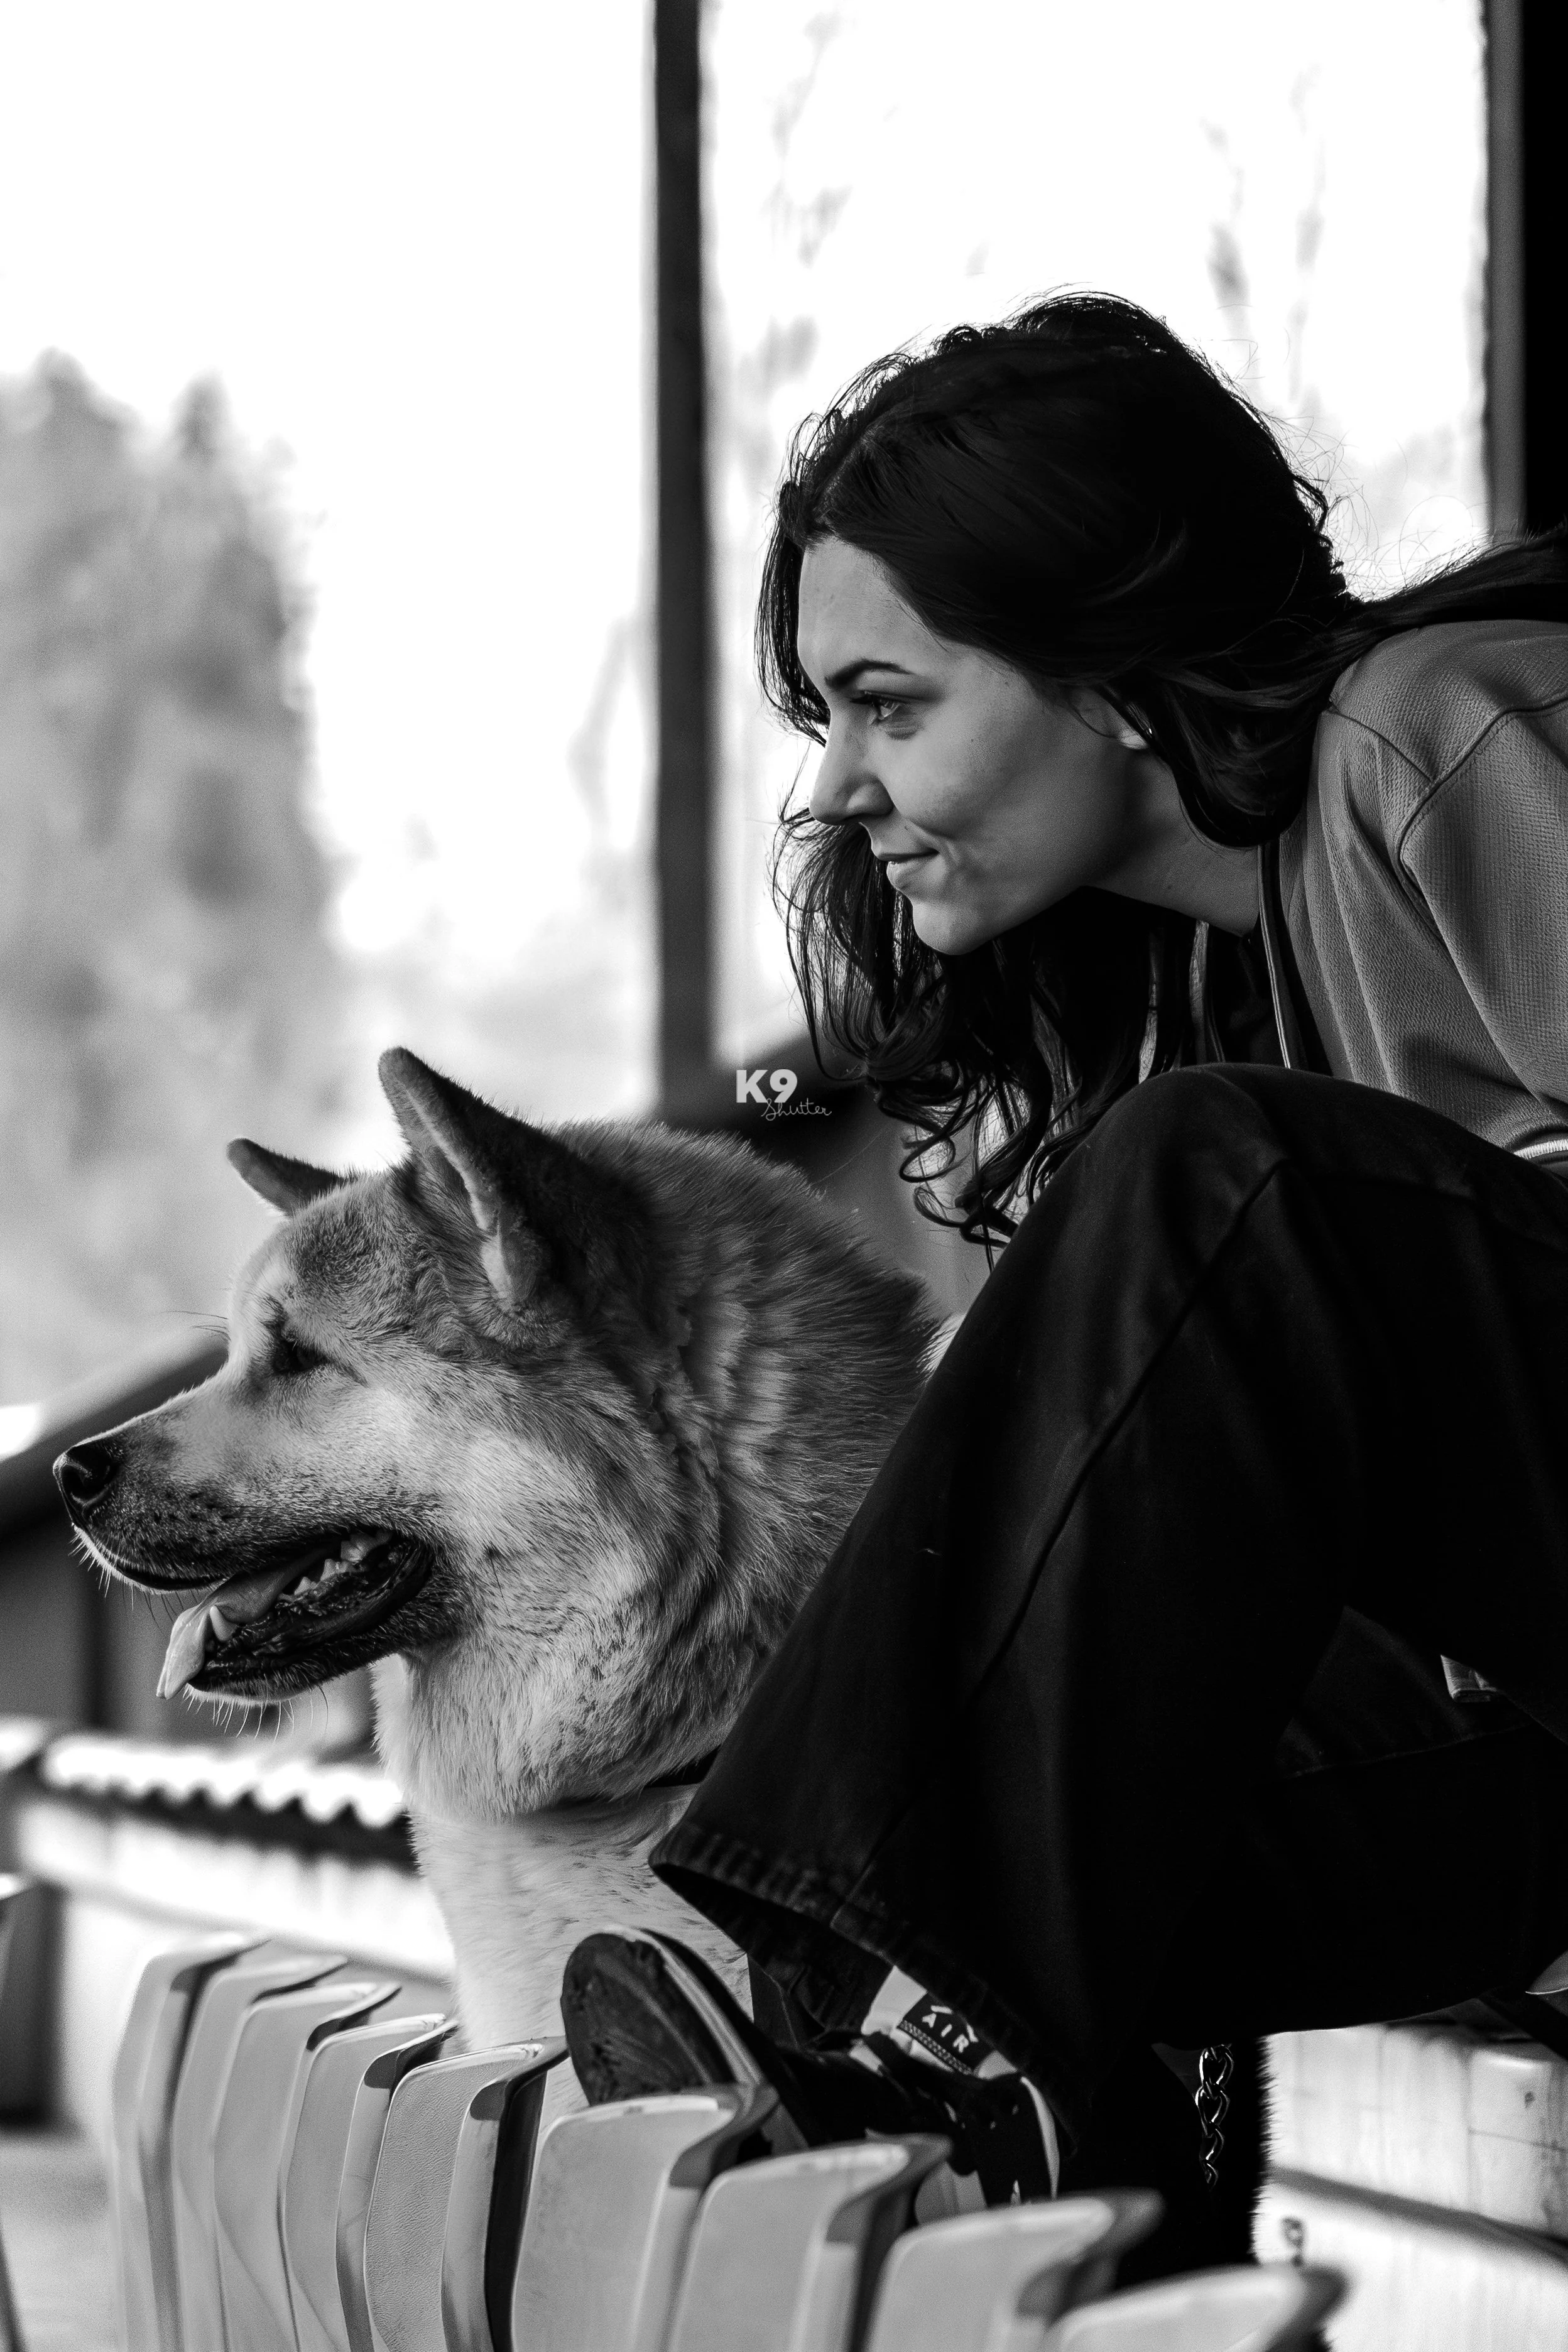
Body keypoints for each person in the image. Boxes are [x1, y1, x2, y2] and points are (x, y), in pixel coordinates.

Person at [558, 293, 1568, 2273]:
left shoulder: (1436, 737)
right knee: (1074, 1809)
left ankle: (867, 2018)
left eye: (890, 701)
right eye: (823, 716)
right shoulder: (1212, 982)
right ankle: (1006, 2202)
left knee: (1216, 1184)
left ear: (1114, 673)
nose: (827, 788)